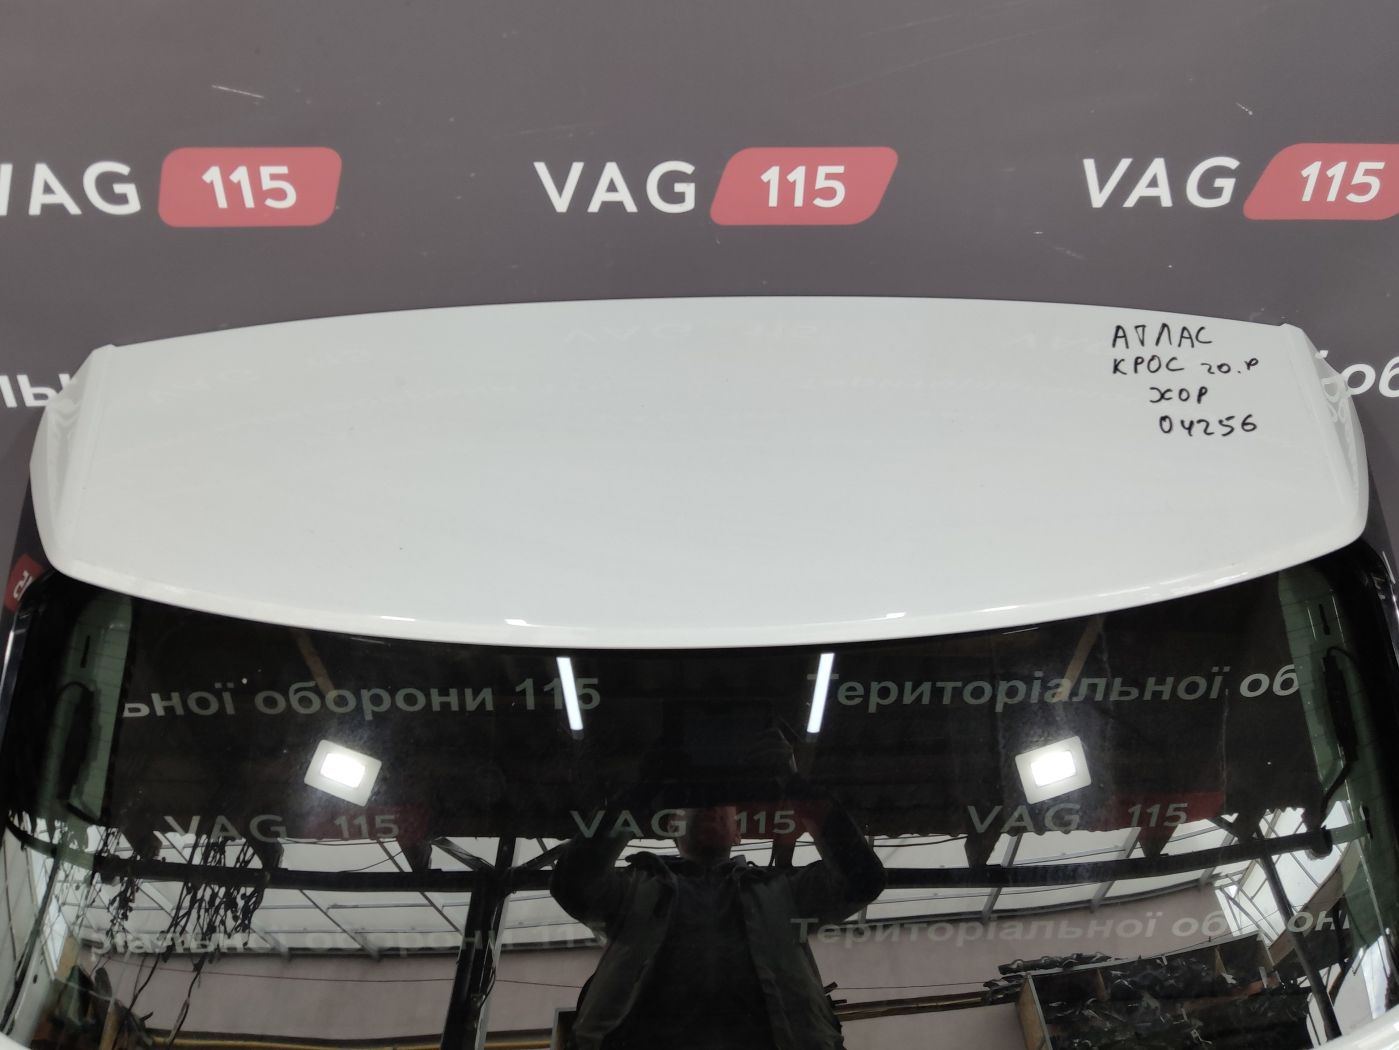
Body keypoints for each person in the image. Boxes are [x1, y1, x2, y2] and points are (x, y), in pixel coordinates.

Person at [550, 756, 884, 1050]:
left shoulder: (781, 891)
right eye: (693, 799)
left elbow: (862, 881)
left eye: (721, 801)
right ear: (672, 825)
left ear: (738, 832)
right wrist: (638, 794)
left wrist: (796, 787)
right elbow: (572, 885)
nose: (709, 804)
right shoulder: (634, 889)